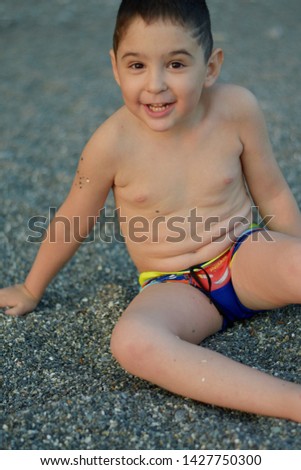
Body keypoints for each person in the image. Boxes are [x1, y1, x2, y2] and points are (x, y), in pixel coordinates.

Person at [1, 0, 301, 422]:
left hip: (245, 255)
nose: (155, 84)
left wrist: (290, 263)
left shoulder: (235, 109)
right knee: (133, 342)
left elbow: (273, 193)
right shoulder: (110, 145)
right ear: (115, 67)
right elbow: (74, 220)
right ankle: (289, 402)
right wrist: (31, 289)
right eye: (136, 65)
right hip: (175, 287)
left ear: (210, 66)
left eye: (176, 64)